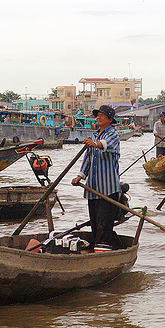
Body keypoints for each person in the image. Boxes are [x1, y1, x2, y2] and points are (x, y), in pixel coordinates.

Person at [71, 105, 124, 251]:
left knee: (105, 223)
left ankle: (103, 249)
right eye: (97, 115)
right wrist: (80, 176)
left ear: (110, 119)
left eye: (102, 115)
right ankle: (96, 246)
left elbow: (105, 145)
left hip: (108, 188)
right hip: (93, 187)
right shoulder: (94, 135)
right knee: (95, 222)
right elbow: (87, 159)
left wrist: (94, 144)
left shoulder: (112, 134)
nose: (98, 117)